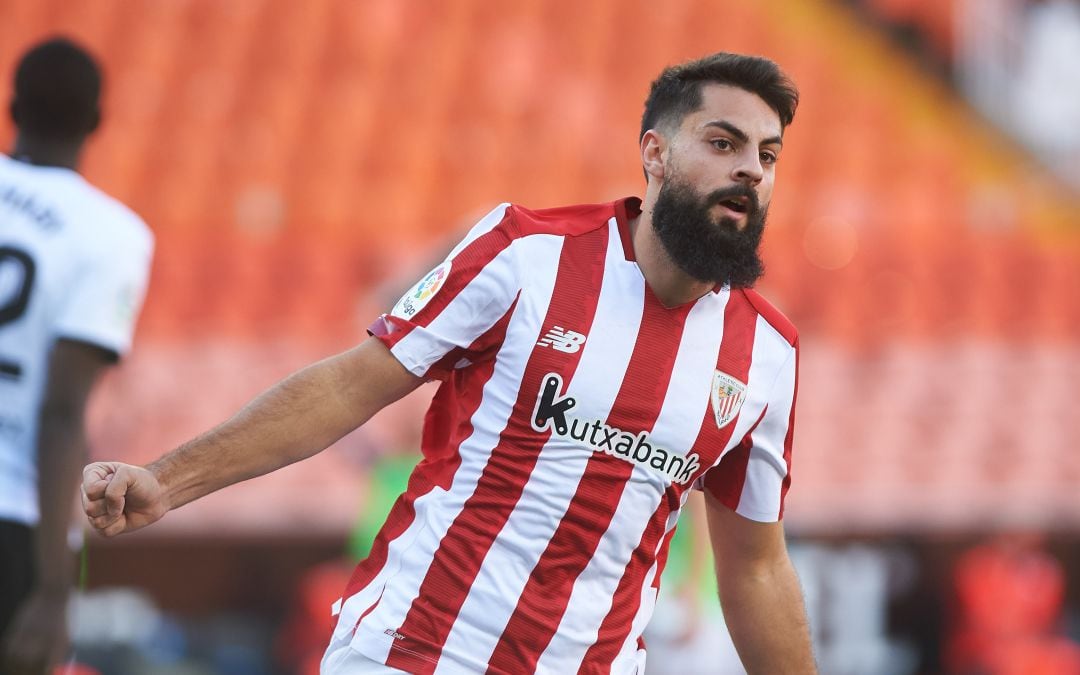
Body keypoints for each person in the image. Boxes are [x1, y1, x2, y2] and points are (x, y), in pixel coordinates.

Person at [82, 52, 815, 674]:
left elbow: (754, 566)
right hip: (415, 650)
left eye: (767, 154)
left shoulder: (767, 356)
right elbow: (349, 384)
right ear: (654, 153)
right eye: (723, 142)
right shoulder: (526, 256)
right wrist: (168, 480)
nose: (750, 169)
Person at [0, 37, 154, 674]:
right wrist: (56, 589)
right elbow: (61, 413)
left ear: (12, 106)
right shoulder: (111, 236)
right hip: (15, 515)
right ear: (96, 122)